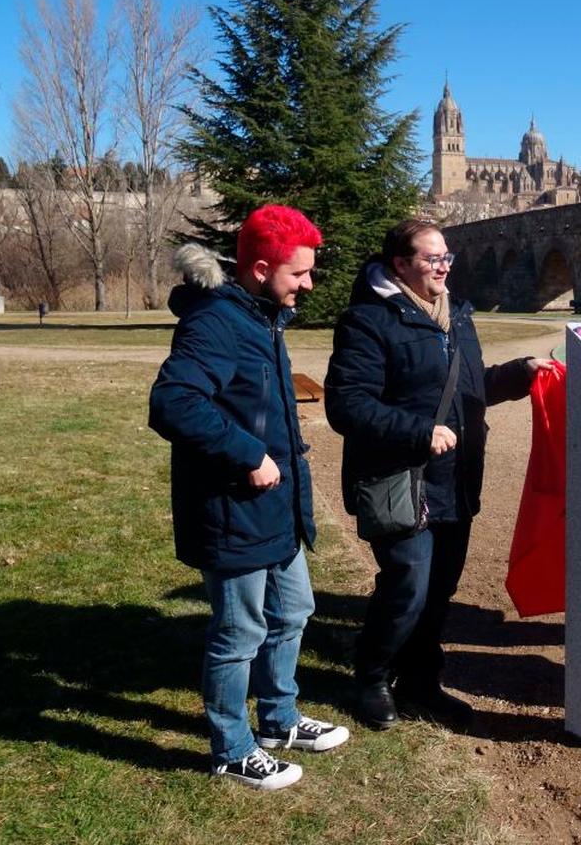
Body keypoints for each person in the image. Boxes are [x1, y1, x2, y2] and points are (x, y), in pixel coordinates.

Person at [149, 205, 348, 791]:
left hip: (273, 507)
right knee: (238, 634)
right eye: (299, 274)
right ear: (260, 269)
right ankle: (231, 747)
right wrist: (248, 453)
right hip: (232, 505)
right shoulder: (217, 321)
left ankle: (279, 719)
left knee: (294, 610)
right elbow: (174, 403)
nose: (308, 285)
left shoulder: (261, 316)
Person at [324, 219, 551, 731]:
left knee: (439, 592)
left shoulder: (459, 317)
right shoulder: (368, 320)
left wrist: (518, 374)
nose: (444, 266)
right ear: (400, 265)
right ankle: (373, 678)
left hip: (456, 480)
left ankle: (422, 684)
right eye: (432, 258)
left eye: (446, 256)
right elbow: (346, 405)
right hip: (399, 479)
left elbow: (472, 388)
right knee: (407, 584)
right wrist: (416, 431)